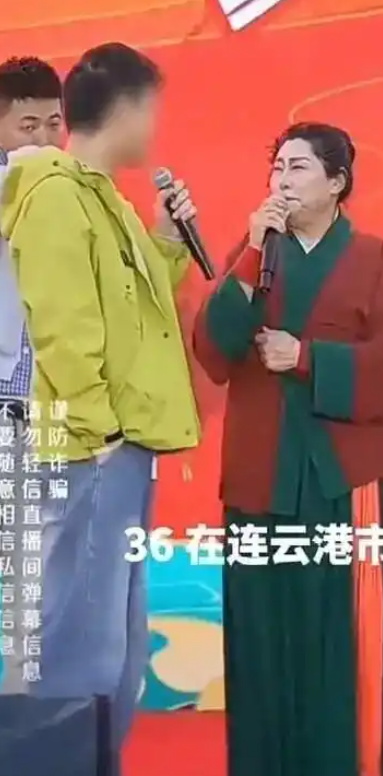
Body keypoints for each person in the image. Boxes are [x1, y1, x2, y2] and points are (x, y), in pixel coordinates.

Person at [193, 121, 383, 776]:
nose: (282, 181)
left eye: (297, 168)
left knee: (341, 642)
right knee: (264, 640)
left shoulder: (375, 258)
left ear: (337, 183)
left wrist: (306, 358)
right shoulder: (255, 251)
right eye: (277, 167)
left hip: (343, 481)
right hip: (261, 476)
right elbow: (214, 350)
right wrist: (249, 253)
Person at [0, 42, 200, 766]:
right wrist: (97, 432)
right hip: (89, 450)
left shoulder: (104, 196)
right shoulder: (53, 196)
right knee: (78, 643)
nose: (156, 125)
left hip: (123, 446)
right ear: (128, 108)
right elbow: (63, 329)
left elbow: (133, 312)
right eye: (153, 108)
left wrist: (168, 242)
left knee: (115, 643)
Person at [0, 56, 63, 695]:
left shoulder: (74, 195)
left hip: (43, 413)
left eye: (53, 124)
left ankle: (23, 711)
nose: (43, 139)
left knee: (31, 571)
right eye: (27, 126)